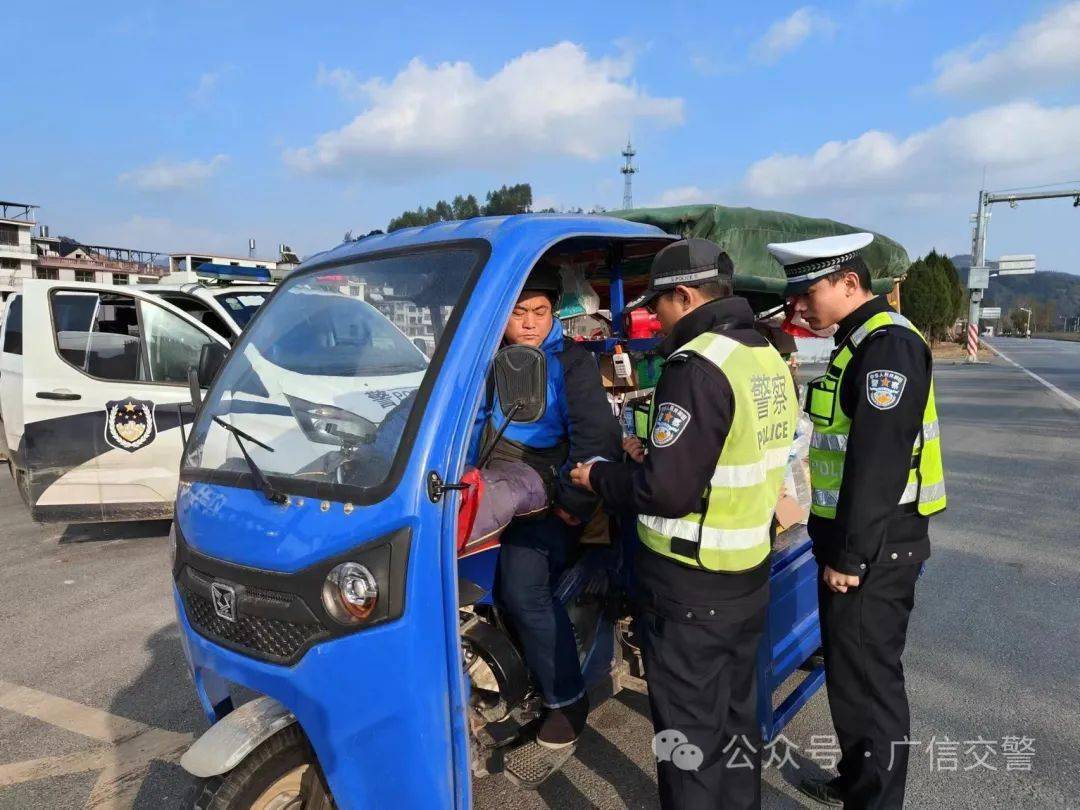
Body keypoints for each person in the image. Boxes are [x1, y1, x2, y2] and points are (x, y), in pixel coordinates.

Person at [571, 239, 798, 810]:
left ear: (685, 296)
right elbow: (732, 453)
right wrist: (660, 456)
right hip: (745, 574)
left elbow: (665, 494)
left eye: (660, 305)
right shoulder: (764, 354)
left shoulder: (696, 363)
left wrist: (598, 477)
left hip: (689, 585)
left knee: (688, 743)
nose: (657, 318)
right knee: (736, 727)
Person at [768, 233, 946, 809]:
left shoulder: (887, 345)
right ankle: (858, 780)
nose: (798, 308)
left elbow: (879, 461)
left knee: (869, 688)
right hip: (857, 543)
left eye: (807, 292)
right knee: (850, 680)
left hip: (875, 547)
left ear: (850, 284)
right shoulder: (855, 341)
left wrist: (850, 557)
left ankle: (874, 802)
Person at [473, 264, 622, 749]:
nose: (531, 323)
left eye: (540, 312)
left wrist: (572, 507)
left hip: (552, 491)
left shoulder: (571, 364)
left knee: (521, 586)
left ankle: (566, 699)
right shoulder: (484, 360)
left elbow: (596, 437)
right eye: (519, 313)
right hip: (484, 483)